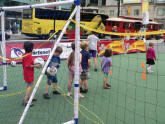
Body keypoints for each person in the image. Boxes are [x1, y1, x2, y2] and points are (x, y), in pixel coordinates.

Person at [22, 41, 41, 106]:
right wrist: (36, 66)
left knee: (29, 85)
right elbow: (27, 65)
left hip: (27, 73)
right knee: (30, 86)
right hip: (28, 73)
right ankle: (25, 100)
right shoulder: (29, 56)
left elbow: (28, 63)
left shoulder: (26, 54)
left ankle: (29, 97)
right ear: (31, 48)